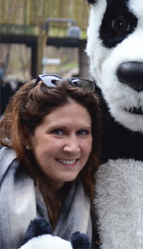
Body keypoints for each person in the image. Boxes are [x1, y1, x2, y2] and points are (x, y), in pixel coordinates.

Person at [0, 74, 102, 248]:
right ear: (26, 136)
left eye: (83, 132)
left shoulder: (99, 196)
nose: (73, 147)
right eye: (58, 131)